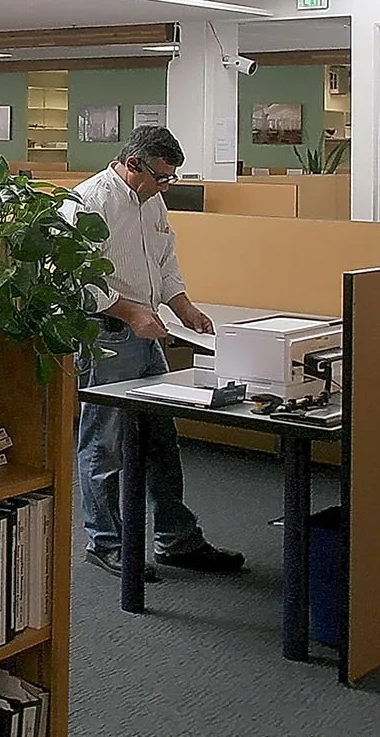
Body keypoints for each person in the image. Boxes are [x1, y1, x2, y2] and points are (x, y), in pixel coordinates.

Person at [72, 125, 244, 579]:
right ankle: (106, 542)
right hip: (108, 335)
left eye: (171, 178)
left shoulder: (153, 200)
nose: (166, 186)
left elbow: (164, 260)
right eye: (161, 177)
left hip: (149, 332)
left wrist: (183, 306)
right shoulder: (88, 202)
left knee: (161, 441)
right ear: (133, 164)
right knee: (104, 444)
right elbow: (75, 279)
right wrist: (129, 312)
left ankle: (176, 539)